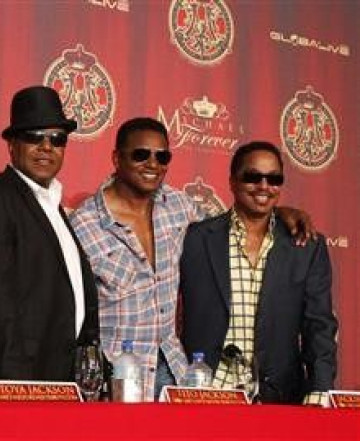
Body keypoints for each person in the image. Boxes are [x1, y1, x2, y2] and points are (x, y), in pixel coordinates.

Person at [70, 118, 316, 401]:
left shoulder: (178, 207)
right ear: (116, 158)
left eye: (162, 156)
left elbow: (229, 230)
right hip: (117, 375)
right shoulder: (85, 223)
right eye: (141, 154)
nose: (152, 163)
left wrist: (278, 213)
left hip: (173, 371)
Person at [179, 141, 337, 404]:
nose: (264, 186)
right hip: (206, 393)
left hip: (278, 397)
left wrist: (320, 391)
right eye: (253, 177)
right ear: (232, 181)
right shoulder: (195, 238)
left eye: (274, 179)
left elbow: (319, 326)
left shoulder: (306, 246)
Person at [0, 85, 99, 382]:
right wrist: (16, 383)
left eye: (57, 139)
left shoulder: (54, 207)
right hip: (20, 381)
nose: (46, 146)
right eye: (33, 137)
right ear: (12, 145)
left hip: (63, 379)